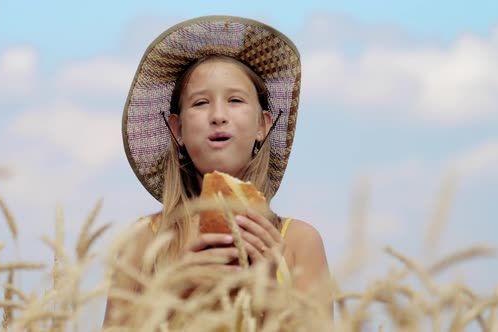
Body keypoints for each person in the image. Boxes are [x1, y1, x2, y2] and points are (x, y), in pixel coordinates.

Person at [104, 15, 332, 327]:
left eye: (235, 100)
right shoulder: (145, 240)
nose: (218, 115)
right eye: (200, 103)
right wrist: (175, 299)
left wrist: (268, 294)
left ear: (262, 126)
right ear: (178, 128)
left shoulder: (298, 241)